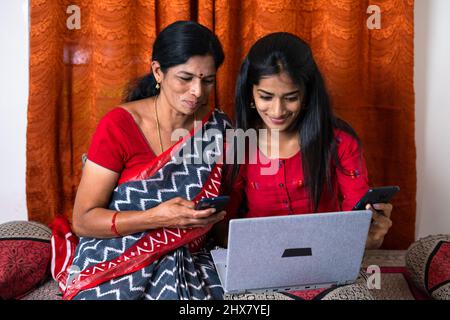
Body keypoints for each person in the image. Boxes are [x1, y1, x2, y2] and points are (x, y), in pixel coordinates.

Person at [63, 21, 232, 300]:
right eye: (185, 78)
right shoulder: (119, 125)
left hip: (190, 254)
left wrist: (208, 219)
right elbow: (83, 220)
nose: (197, 92)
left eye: (208, 80)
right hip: (118, 254)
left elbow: (225, 211)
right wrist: (156, 217)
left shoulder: (217, 126)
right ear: (158, 71)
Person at [221, 32, 393, 250]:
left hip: (328, 256)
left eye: (291, 98)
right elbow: (225, 228)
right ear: (250, 94)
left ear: (307, 94)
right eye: (265, 97)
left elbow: (357, 226)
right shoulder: (237, 145)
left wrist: (372, 235)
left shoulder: (340, 142)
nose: (277, 110)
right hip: (259, 256)